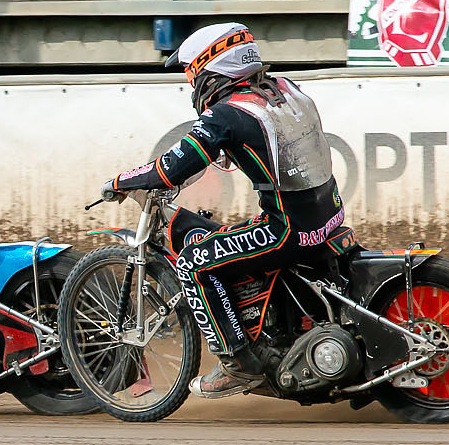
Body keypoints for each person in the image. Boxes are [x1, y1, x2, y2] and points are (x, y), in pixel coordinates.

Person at [96, 21, 354, 400]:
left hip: (287, 231)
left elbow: (169, 168)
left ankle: (238, 363)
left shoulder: (228, 115)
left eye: (192, 74)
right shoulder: (285, 89)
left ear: (211, 70)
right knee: (226, 236)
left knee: (193, 262)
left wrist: (121, 181)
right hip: (328, 217)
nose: (192, 84)